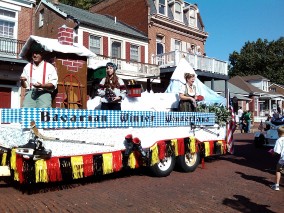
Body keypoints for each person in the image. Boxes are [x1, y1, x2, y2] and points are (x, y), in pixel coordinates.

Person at [20, 43, 58, 108]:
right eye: (33, 53)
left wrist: (42, 86)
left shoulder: (49, 67)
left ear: (42, 54)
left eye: (37, 53)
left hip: (44, 92)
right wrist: (22, 81)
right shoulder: (27, 67)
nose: (34, 55)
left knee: (44, 111)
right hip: (31, 92)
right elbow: (24, 86)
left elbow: (53, 84)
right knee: (26, 110)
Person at [269, 126, 284, 191]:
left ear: (278, 133)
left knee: (278, 170)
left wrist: (272, 152)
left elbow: (277, 152)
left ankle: (276, 186)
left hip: (283, 159)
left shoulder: (279, 140)